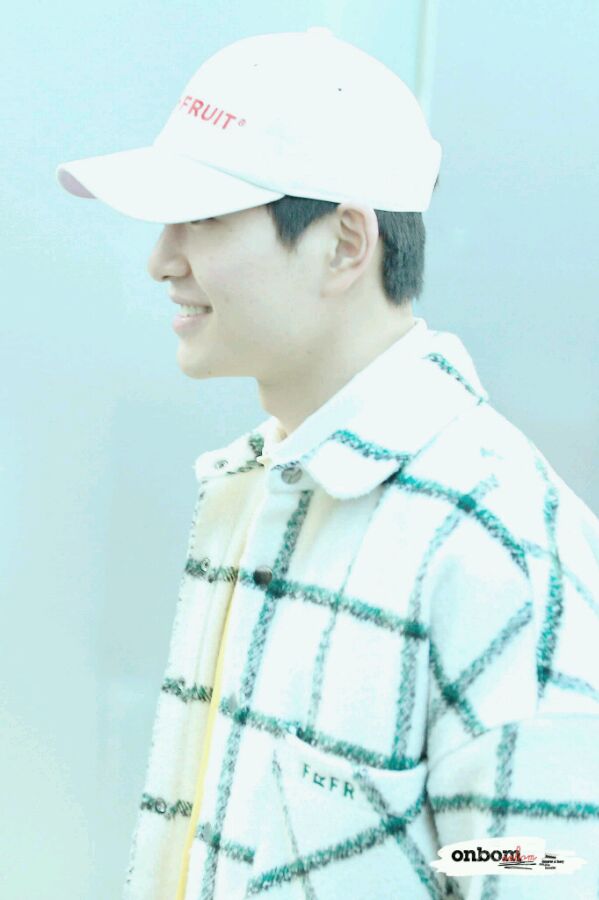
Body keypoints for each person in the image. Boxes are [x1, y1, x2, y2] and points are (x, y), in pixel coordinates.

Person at [56, 26, 599, 900]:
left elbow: (550, 866)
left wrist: (414, 863)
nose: (161, 260)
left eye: (203, 218)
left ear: (346, 244)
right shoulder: (258, 487)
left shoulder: (490, 537)